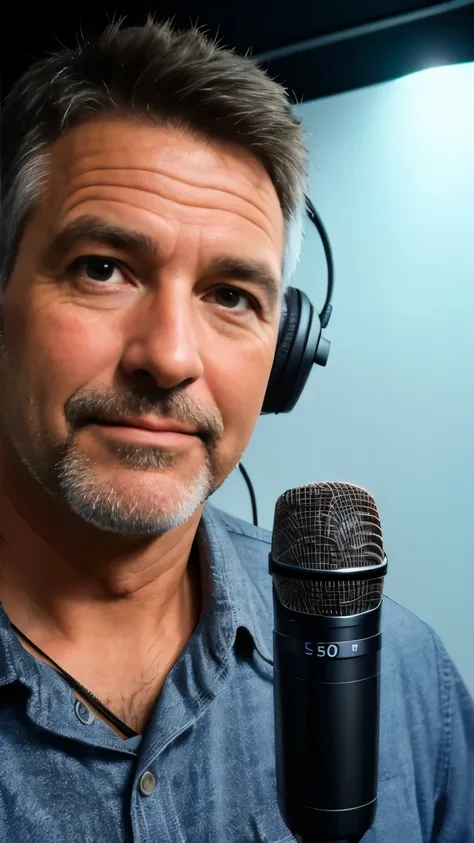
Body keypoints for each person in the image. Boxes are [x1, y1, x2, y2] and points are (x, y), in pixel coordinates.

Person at [0, 18, 472, 843]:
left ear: (284, 357)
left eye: (231, 295)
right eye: (102, 268)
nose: (170, 357)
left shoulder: (405, 672)